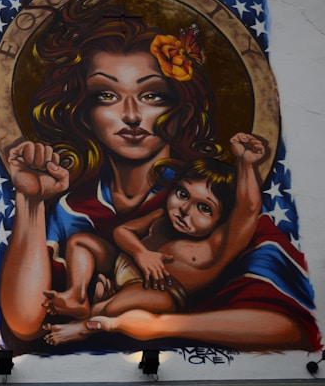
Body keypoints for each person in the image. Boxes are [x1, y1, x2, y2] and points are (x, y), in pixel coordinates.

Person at [0, 0, 320, 353]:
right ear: (84, 113)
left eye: (152, 95)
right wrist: (31, 203)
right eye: (107, 95)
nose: (131, 115)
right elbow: (26, 323)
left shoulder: (218, 199)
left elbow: (288, 328)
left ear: (181, 108)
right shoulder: (73, 209)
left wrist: (152, 325)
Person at [41, 133, 265, 345]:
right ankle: (77, 294)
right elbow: (122, 231)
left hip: (158, 290)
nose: (185, 209)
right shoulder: (162, 216)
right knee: (80, 241)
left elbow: (248, 209)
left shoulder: (219, 245)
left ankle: (85, 324)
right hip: (123, 263)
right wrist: (141, 253)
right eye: (183, 194)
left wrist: (246, 164)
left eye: (204, 208)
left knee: (110, 309)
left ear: (222, 220)